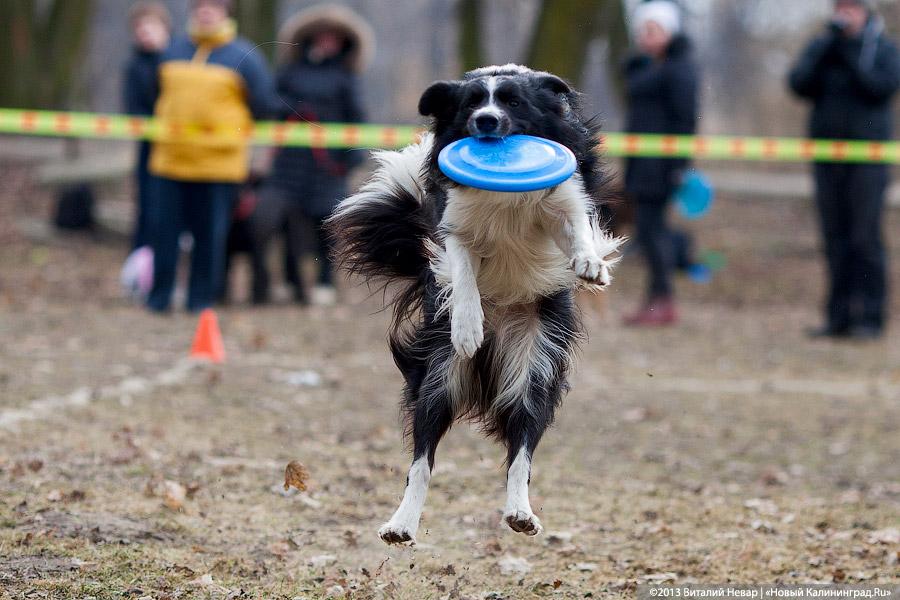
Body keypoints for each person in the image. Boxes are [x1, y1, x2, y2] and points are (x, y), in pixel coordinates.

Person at [146, 0, 274, 313]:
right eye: (200, 5)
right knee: (164, 234)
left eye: (213, 5)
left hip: (219, 166)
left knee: (210, 238)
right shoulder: (171, 50)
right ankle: (159, 299)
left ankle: (201, 301)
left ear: (226, 11)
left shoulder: (245, 56)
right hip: (170, 161)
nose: (205, 11)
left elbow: (265, 105)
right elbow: (151, 96)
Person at [789, 0, 900, 340]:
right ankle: (838, 317)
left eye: (852, 7)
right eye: (840, 6)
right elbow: (798, 84)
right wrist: (830, 49)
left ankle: (870, 317)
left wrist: (850, 52)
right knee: (834, 237)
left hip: (868, 159)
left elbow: (881, 88)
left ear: (866, 11)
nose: (844, 13)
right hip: (827, 158)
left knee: (864, 237)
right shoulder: (823, 45)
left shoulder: (883, 48)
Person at [249, 4, 372, 306]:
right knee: (283, 222)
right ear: (312, 37)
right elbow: (271, 103)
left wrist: (351, 158)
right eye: (323, 35)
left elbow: (357, 119)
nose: (328, 41)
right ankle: (291, 283)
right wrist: (293, 110)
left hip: (328, 166)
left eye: (335, 37)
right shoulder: (289, 72)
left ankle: (324, 281)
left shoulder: (345, 78)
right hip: (289, 163)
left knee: (327, 223)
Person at [622, 0, 699, 327]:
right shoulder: (644, 67)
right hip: (641, 163)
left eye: (653, 30)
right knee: (648, 232)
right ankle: (654, 301)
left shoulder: (679, 69)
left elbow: (685, 120)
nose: (646, 36)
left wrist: (679, 165)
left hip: (662, 167)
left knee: (654, 232)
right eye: (643, 30)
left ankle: (663, 301)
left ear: (669, 32)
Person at [123, 1, 171, 250]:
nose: (145, 34)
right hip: (150, 148)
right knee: (148, 205)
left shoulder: (179, 60)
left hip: (182, 148)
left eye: (150, 27)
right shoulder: (134, 66)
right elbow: (133, 108)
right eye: (139, 29)